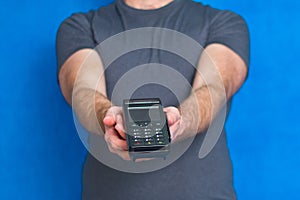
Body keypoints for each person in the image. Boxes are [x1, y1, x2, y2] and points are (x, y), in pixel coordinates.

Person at [56, 0, 249, 199]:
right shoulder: (82, 26)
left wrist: (180, 122)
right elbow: (82, 90)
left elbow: (214, 88)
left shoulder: (222, 22)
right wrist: (108, 119)